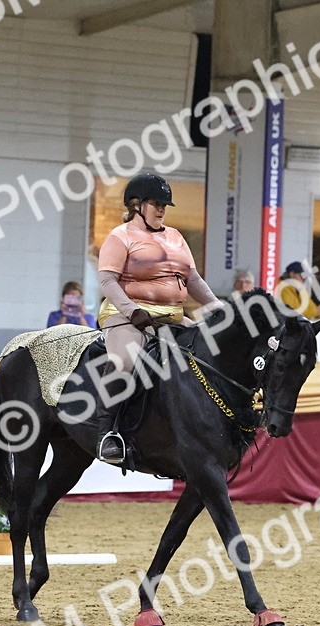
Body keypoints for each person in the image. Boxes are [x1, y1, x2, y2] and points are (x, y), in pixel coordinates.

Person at [96, 172, 222, 464]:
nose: (162, 209)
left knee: (209, 354)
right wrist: (132, 311)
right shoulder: (120, 236)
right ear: (136, 205)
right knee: (123, 362)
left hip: (172, 318)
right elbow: (107, 282)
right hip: (127, 317)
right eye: (156, 203)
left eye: (165, 205)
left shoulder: (175, 237)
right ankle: (106, 433)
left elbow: (192, 279)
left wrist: (216, 305)